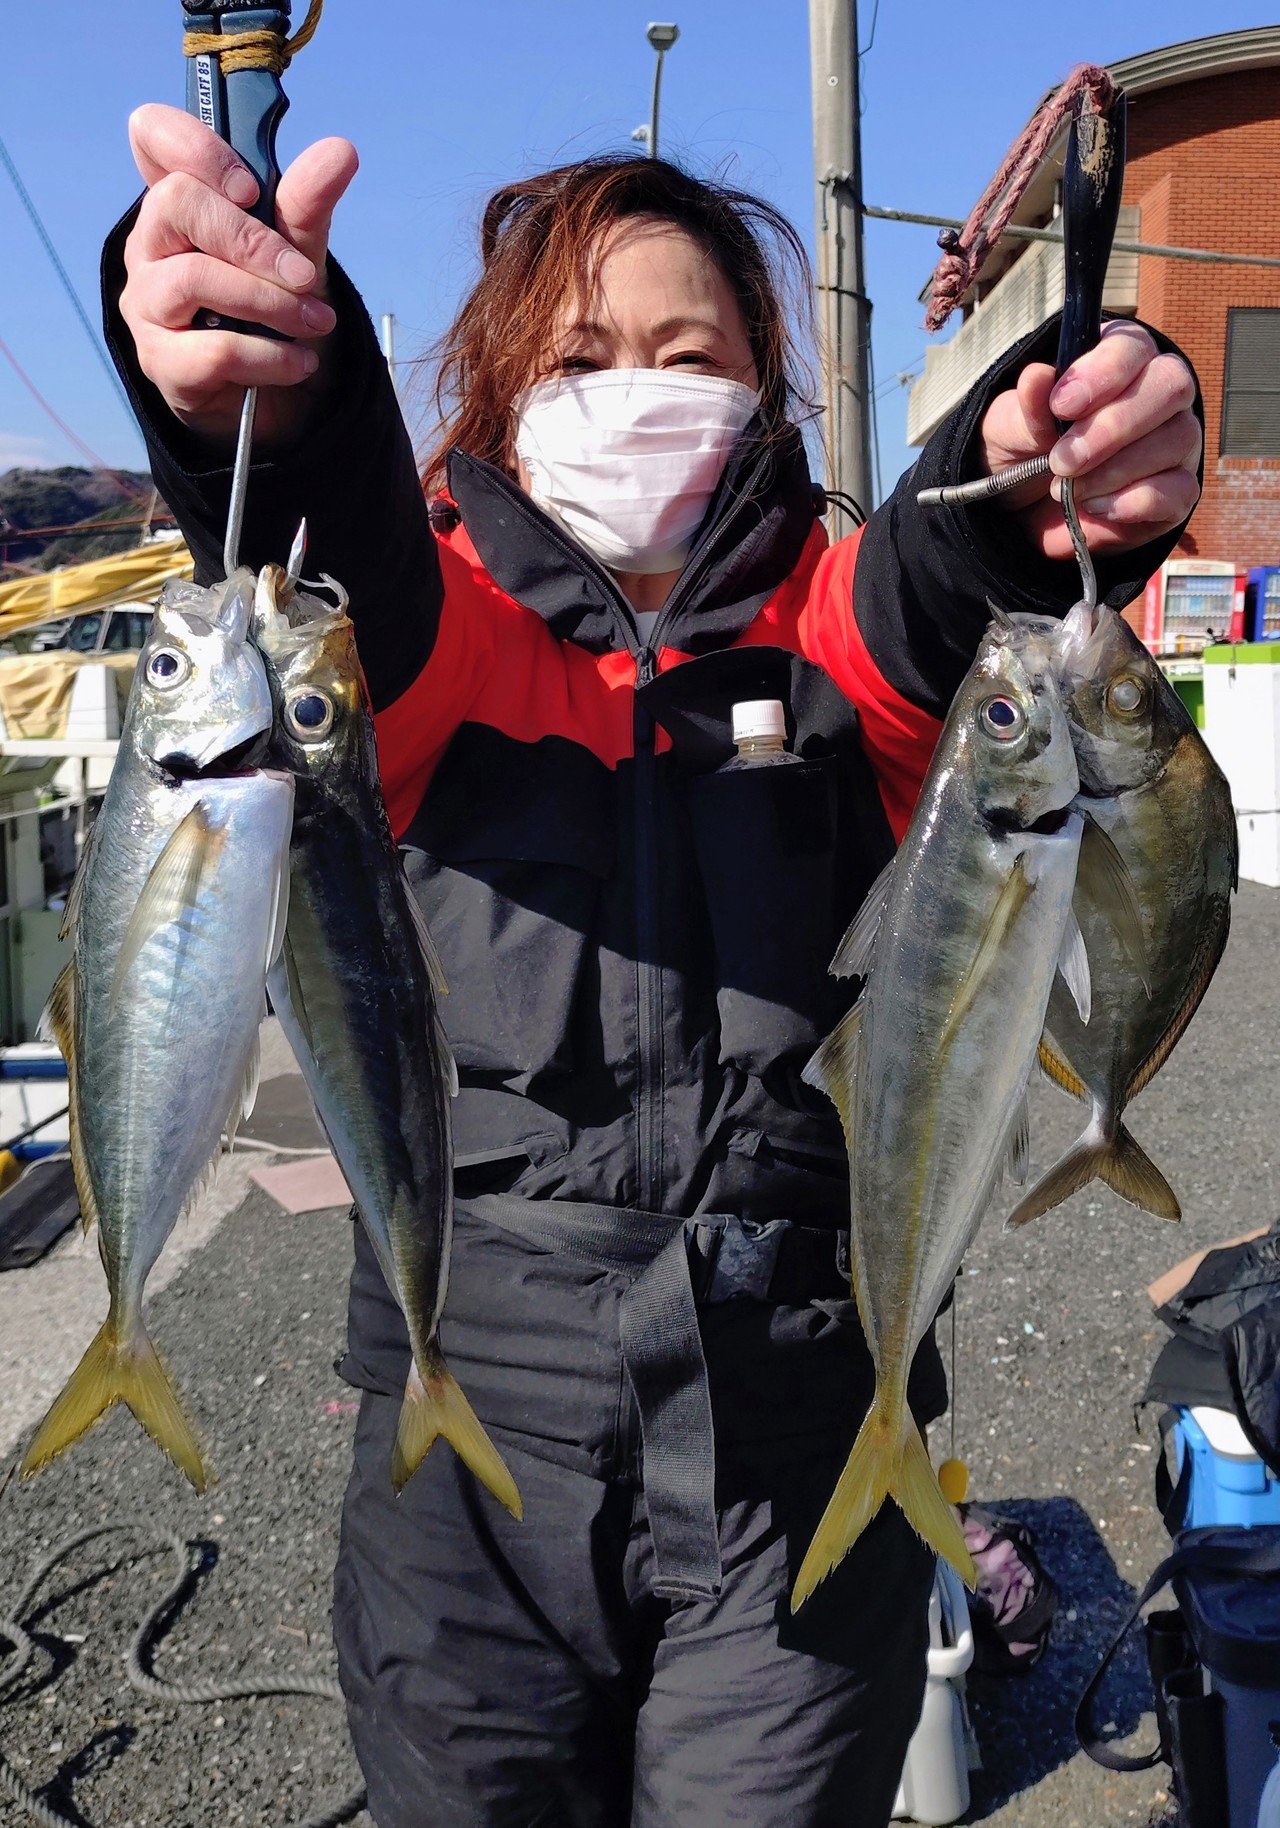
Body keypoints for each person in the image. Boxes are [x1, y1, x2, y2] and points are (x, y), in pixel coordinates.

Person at [105, 103, 1202, 1828]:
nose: (637, 388)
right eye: (580, 355)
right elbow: (348, 559)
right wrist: (273, 389)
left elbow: (943, 583)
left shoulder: (834, 629)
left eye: (692, 354)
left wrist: (1050, 469)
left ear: (765, 388)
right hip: (472, 1440)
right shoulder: (431, 643)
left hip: (803, 1419)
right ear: (500, 392)